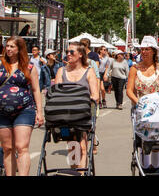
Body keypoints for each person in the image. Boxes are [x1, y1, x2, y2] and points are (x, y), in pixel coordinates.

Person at [126, 36, 159, 173]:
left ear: (153, 51)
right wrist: (139, 103)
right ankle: (144, 168)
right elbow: (129, 90)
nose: (144, 52)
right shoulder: (135, 69)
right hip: (140, 109)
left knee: (157, 139)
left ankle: (156, 168)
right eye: (142, 49)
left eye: (147, 49)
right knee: (143, 141)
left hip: (158, 109)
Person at [0, 36, 44, 176]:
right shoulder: (0, 64)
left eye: (12, 46)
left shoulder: (29, 67)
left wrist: (40, 112)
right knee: (7, 148)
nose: (8, 49)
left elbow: (36, 90)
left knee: (21, 147)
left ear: (19, 49)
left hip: (24, 110)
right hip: (2, 112)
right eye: (7, 46)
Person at [54, 42, 98, 170]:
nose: (68, 54)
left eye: (71, 52)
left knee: (82, 146)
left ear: (80, 54)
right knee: (72, 145)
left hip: (81, 114)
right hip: (65, 115)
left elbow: (95, 95)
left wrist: (80, 101)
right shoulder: (61, 71)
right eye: (67, 52)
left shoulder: (88, 72)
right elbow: (56, 92)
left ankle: (81, 173)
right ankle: (74, 171)